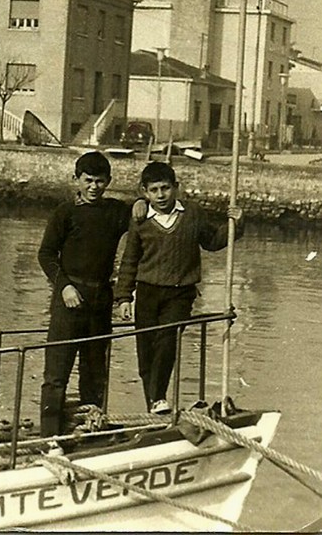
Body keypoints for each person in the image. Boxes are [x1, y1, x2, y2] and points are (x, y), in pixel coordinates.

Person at [115, 161, 244, 415]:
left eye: (165, 188)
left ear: (176, 188)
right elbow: (130, 259)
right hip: (148, 291)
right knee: (146, 351)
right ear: (144, 191)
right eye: (154, 190)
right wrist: (123, 298)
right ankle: (154, 405)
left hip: (180, 292)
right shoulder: (141, 218)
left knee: (166, 341)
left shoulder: (192, 214)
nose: (161, 195)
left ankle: (159, 398)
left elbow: (212, 241)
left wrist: (235, 226)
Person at [38, 151, 146, 438]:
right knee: (56, 374)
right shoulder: (65, 213)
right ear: (77, 180)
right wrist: (64, 287)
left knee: (95, 372)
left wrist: (139, 203)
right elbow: (46, 254)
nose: (94, 187)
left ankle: (91, 431)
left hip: (100, 301)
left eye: (100, 181)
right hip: (69, 299)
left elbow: (141, 215)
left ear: (108, 181)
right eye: (88, 181)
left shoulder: (114, 211)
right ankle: (49, 438)